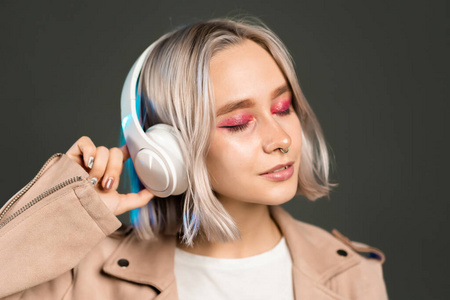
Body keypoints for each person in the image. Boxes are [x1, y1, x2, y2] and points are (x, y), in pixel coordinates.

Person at [0, 18, 388, 299]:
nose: (282, 139)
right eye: (238, 123)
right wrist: (68, 209)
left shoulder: (354, 273)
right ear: (169, 150)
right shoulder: (82, 277)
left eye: (283, 107)